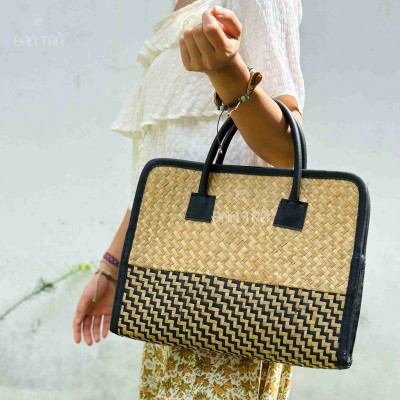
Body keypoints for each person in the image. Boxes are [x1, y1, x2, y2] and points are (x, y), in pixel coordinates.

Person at [73, 0, 305, 398]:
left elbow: (287, 149)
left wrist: (228, 74)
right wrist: (113, 266)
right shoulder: (180, 10)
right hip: (171, 291)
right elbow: (162, 178)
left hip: (236, 295)